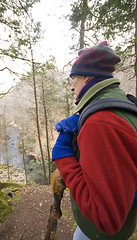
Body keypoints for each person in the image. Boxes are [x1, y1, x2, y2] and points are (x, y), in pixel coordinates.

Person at [51, 41, 137, 240]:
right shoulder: (122, 103)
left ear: (88, 78)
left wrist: (64, 157)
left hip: (100, 234)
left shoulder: (101, 123)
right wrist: (83, 119)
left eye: (75, 80)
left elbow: (107, 219)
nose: (73, 88)